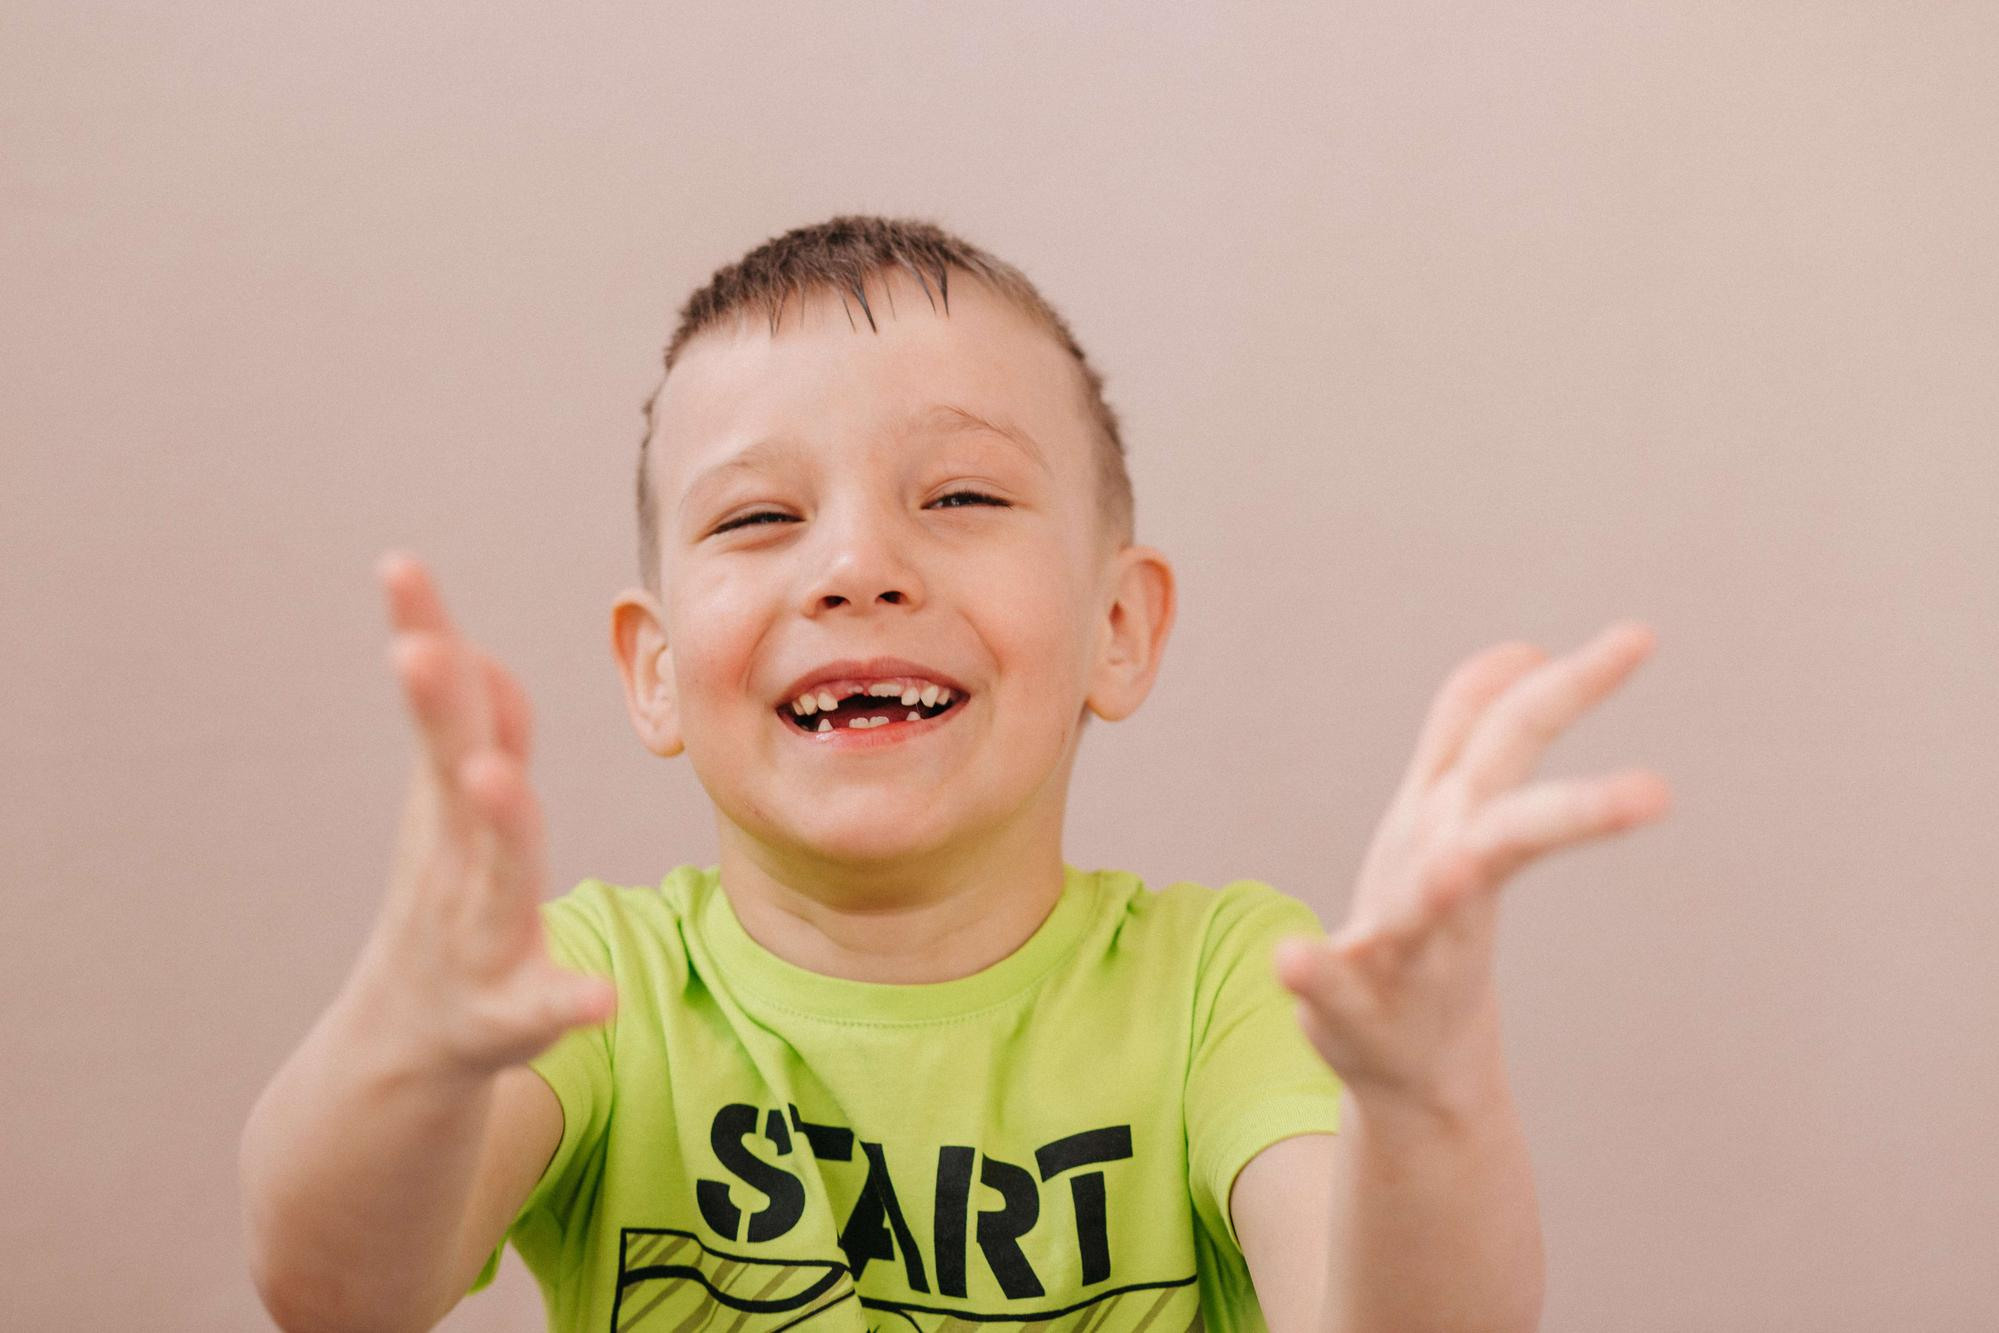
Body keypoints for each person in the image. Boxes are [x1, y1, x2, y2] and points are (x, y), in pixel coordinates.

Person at [238, 215, 1671, 1332]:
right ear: (658, 670)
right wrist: (407, 1041)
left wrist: (1425, 1098)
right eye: (758, 516)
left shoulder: (1229, 988)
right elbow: (341, 1295)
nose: (858, 566)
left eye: (963, 496)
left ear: (1118, 628)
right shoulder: (596, 995)